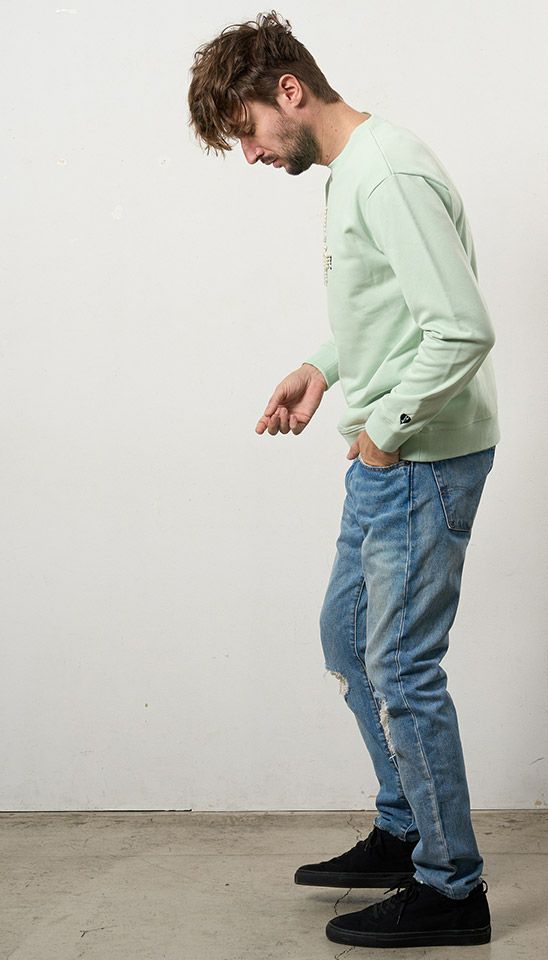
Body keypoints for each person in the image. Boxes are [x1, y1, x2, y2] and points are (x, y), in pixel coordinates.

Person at [187, 10, 499, 949]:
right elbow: (397, 310)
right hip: (391, 455)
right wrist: (324, 365)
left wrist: (384, 437)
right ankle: (407, 832)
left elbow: (461, 329)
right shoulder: (357, 170)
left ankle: (451, 889)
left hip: (419, 458)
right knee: (347, 636)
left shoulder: (386, 173)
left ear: (289, 91)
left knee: (401, 667)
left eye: (247, 131)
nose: (250, 154)